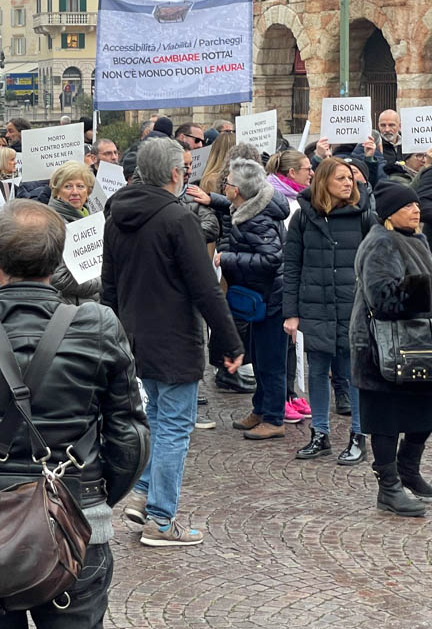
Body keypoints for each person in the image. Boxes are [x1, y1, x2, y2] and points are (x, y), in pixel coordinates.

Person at [0, 199, 149, 629]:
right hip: (77, 521)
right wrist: (91, 499)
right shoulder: (99, 324)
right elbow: (130, 438)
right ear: (57, 264)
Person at [102, 137, 243, 546]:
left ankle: (144, 494)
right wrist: (230, 342)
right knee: (175, 426)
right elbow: (206, 288)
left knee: (157, 419)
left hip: (134, 334)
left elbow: (109, 287)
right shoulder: (178, 218)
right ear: (175, 173)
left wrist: (113, 335)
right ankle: (162, 520)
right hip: (175, 336)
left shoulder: (116, 215)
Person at [284, 156, 374, 465]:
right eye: (341, 178)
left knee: (354, 373)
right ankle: (320, 434)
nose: (349, 183)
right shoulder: (303, 218)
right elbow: (292, 267)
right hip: (315, 306)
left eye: (350, 177)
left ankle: (359, 435)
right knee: (318, 371)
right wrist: (291, 312)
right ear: (324, 182)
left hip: (353, 307)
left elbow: (374, 263)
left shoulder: (364, 216)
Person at [350, 183, 432, 517]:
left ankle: (408, 470)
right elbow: (384, 298)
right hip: (380, 347)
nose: (416, 210)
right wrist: (427, 287)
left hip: (416, 344)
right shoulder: (380, 242)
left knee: (424, 411)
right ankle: (388, 487)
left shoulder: (417, 239)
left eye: (417, 205)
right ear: (389, 213)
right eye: (407, 206)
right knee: (386, 418)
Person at [218, 159, 290, 441]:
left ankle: (274, 418)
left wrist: (229, 258)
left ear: (237, 190)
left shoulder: (257, 219)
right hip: (261, 296)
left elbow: (271, 258)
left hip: (272, 298)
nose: (224, 185)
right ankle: (260, 409)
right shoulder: (248, 208)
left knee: (271, 361)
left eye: (227, 182)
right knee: (259, 358)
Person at [47, 162, 101, 304]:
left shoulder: (90, 219)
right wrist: (103, 282)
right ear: (57, 192)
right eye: (68, 186)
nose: (75, 192)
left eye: (80, 186)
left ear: (88, 192)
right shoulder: (52, 225)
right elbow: (60, 278)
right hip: (66, 308)